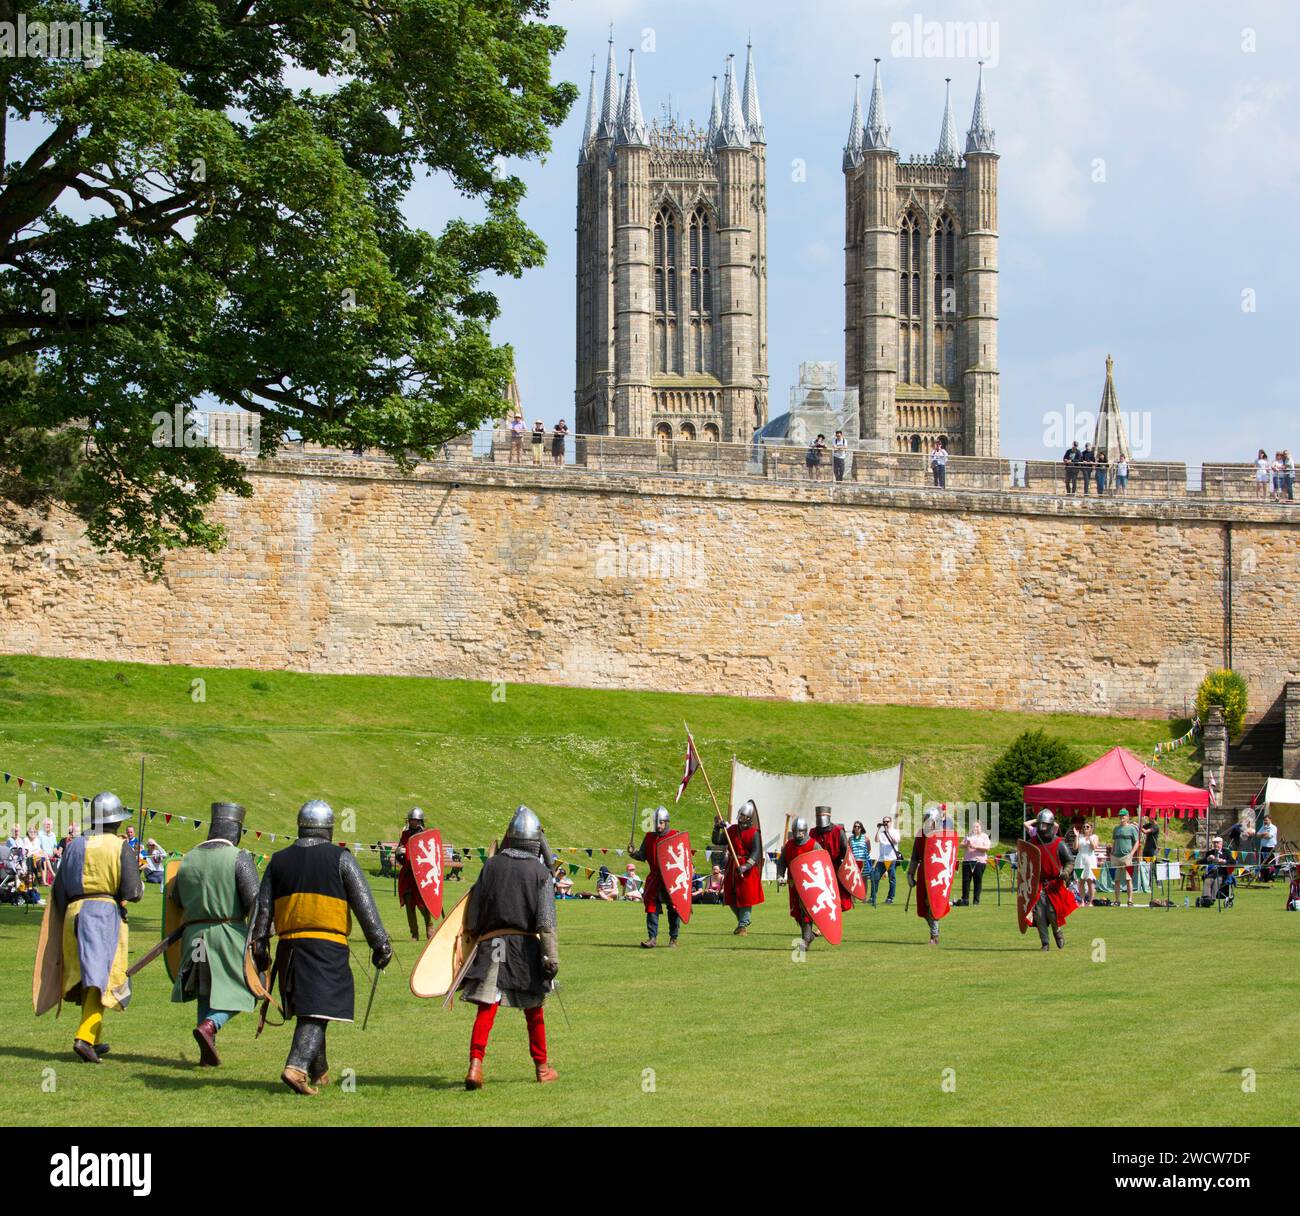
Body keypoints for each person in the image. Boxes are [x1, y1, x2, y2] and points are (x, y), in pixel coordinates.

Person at [250, 800, 391, 1096]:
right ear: (328, 828)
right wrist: (380, 943)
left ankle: (319, 1071)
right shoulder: (340, 857)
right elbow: (364, 903)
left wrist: (259, 945)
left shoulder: (278, 860)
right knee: (319, 1007)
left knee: (311, 1005)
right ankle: (297, 1066)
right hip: (326, 946)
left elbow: (262, 910)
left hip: (289, 947)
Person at [459, 805, 560, 1088]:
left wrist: (475, 939)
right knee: (534, 1012)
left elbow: (474, 910)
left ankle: (475, 1067)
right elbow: (546, 923)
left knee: (486, 1009)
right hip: (524, 950)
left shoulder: (491, 865)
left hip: (493, 946)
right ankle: (542, 1070)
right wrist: (552, 959)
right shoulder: (539, 873)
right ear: (533, 841)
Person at [49, 792, 143, 1063]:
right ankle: (84, 1037)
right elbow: (133, 890)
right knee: (99, 978)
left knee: (88, 976)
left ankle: (95, 1037)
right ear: (115, 822)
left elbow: (59, 890)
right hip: (102, 916)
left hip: (73, 914)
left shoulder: (75, 845)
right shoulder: (119, 846)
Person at [169, 802, 259, 1066]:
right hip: (227, 933)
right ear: (236, 831)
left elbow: (175, 898)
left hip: (194, 936)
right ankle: (211, 1026)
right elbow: (255, 900)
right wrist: (262, 936)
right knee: (249, 987)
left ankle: (206, 1054)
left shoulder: (188, 858)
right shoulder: (238, 857)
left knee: (204, 990)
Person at [1023, 810, 1077, 951]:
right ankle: (1045, 943)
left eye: (1045, 825)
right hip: (1038, 884)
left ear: (1051, 826)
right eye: (1040, 825)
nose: (1042, 828)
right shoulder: (1032, 843)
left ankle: (1057, 931)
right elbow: (1025, 862)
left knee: (1053, 914)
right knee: (1039, 914)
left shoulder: (1059, 843)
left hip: (1055, 883)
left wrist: (1065, 872)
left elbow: (1070, 861)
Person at [628, 806, 681, 948]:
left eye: (661, 822)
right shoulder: (649, 837)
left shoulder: (675, 836)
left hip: (671, 878)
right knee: (651, 907)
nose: (658, 825)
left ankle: (673, 938)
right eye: (656, 822)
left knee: (673, 908)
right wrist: (633, 853)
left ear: (666, 822)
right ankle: (652, 938)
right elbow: (642, 855)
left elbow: (683, 859)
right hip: (655, 878)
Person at [713, 799, 765, 935]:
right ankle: (743, 921)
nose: (740, 818)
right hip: (732, 867)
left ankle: (742, 925)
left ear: (748, 818)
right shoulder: (731, 830)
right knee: (730, 897)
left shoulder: (755, 833)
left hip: (747, 869)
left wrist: (746, 866)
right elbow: (717, 841)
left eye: (743, 816)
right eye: (740, 815)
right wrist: (717, 828)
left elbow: (756, 853)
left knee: (745, 897)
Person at [776, 817, 819, 950]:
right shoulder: (789, 845)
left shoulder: (813, 845)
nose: (797, 835)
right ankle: (809, 936)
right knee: (796, 913)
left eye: (800, 832)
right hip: (794, 884)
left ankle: (805, 941)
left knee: (805, 912)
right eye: (795, 832)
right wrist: (779, 875)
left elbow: (822, 863)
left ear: (805, 831)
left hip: (809, 885)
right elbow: (782, 862)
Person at [906, 807, 947, 944]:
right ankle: (935, 931)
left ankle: (934, 935)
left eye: (929, 820)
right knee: (924, 905)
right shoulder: (920, 834)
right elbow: (914, 857)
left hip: (937, 872)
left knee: (932, 903)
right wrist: (910, 874)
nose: (927, 823)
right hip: (923, 871)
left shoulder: (941, 835)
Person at [395, 807, 433, 940]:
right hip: (407, 875)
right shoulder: (405, 834)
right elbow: (400, 854)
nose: (413, 822)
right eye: (411, 820)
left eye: (415, 820)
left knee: (422, 904)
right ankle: (414, 934)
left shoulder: (425, 835)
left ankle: (429, 925)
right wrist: (399, 853)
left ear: (420, 821)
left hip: (421, 876)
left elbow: (430, 855)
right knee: (409, 904)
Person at [810, 805, 855, 911]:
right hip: (819, 870)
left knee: (836, 898)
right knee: (819, 899)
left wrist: (845, 869)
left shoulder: (837, 831)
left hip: (835, 869)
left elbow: (846, 852)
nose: (821, 820)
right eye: (819, 817)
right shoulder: (812, 832)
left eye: (823, 817)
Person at [956, 820, 990, 906]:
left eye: (977, 826)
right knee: (966, 881)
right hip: (967, 861)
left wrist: (976, 847)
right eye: (974, 826)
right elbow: (960, 845)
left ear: (981, 827)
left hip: (979, 862)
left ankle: (976, 901)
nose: (975, 828)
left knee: (977, 881)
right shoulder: (968, 836)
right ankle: (965, 900)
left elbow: (987, 848)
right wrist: (966, 845)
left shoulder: (984, 836)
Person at [1110, 810, 1139, 907]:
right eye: (1120, 815)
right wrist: (1112, 853)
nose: (1121, 817)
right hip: (1116, 857)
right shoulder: (1116, 829)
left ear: (1127, 816)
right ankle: (1117, 900)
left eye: (1123, 815)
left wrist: (1131, 854)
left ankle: (1130, 900)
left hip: (1127, 857)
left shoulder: (1132, 829)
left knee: (1128, 879)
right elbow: (1114, 842)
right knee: (1116, 880)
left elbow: (1137, 842)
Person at [871, 816, 900, 905]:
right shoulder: (881, 833)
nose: (885, 823)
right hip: (881, 859)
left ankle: (890, 898)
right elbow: (876, 840)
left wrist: (888, 832)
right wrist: (878, 830)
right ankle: (873, 897)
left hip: (891, 858)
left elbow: (896, 841)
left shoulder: (895, 831)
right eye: (884, 821)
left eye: (887, 821)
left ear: (891, 822)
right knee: (875, 877)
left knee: (892, 879)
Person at [1075, 820, 1100, 906]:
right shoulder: (1080, 836)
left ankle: (1090, 901)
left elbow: (1094, 847)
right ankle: (1081, 901)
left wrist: (1089, 838)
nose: (1085, 828)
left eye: (1087, 827)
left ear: (1091, 828)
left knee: (1090, 881)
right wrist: (1076, 836)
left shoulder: (1094, 836)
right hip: (1080, 859)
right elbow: (1075, 847)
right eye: (1084, 827)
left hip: (1090, 859)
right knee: (1081, 880)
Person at [1139, 815, 1160, 895]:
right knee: (1145, 867)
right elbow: (1142, 827)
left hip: (1152, 849)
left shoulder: (1156, 827)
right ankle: (1146, 883)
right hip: (1146, 848)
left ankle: (1156, 882)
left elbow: (1145, 831)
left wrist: (1137, 826)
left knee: (1152, 867)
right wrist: (1136, 824)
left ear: (1153, 818)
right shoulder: (1149, 824)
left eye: (1149, 817)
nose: (1148, 818)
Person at [1256, 813, 1278, 882]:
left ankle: (1270, 878)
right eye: (1264, 820)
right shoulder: (1263, 827)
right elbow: (1257, 835)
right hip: (1264, 847)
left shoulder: (1273, 827)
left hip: (1271, 848)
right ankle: (1264, 878)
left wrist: (1262, 835)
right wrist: (1264, 834)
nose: (1265, 822)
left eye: (1266, 820)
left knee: (1271, 863)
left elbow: (1269, 836)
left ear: (1270, 820)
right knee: (1263, 863)